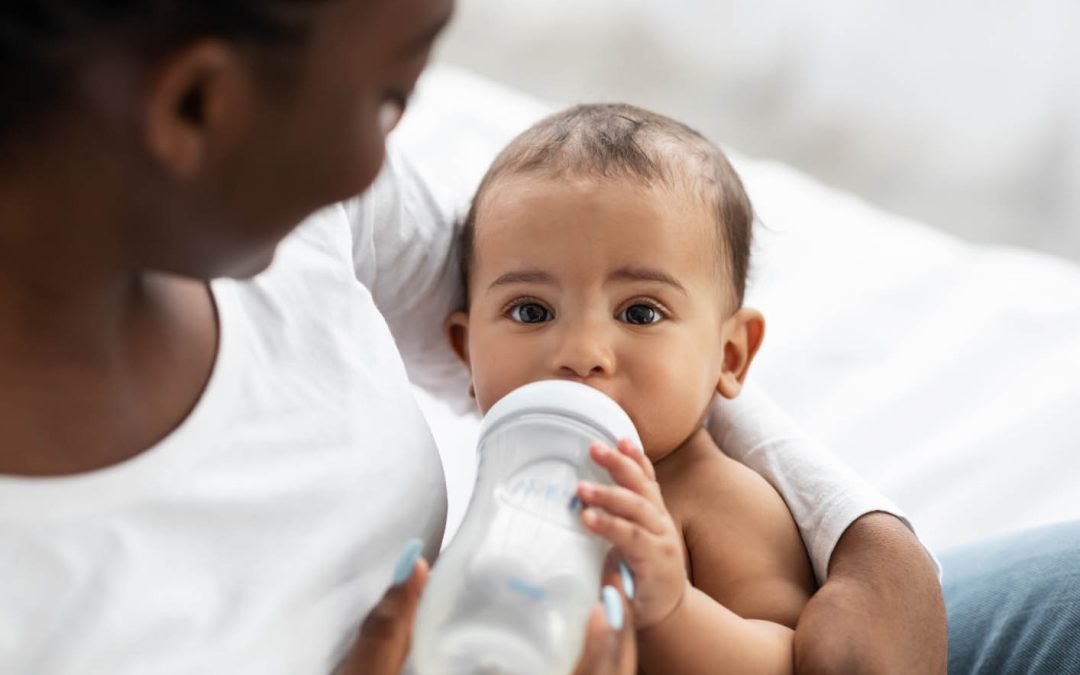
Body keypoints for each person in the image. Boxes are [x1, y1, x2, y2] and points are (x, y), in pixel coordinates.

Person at [1, 0, 1004, 672]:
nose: (381, 167)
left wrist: (869, 537)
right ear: (198, 104)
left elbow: (591, 324)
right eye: (390, 98)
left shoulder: (296, 217)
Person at [445, 102, 815, 673]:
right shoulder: (503, 483)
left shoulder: (720, 499)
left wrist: (672, 608)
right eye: (530, 310)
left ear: (731, 355)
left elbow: (788, 659)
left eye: (640, 313)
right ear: (465, 353)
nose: (581, 355)